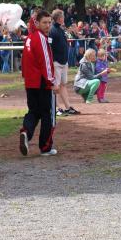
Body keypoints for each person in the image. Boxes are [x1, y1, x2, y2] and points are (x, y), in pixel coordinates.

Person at [19, 10, 59, 156]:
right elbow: (45, 63)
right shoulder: (40, 38)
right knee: (47, 114)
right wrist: (52, 82)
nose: (48, 25)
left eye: (49, 22)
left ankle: (26, 132)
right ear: (37, 23)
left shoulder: (30, 38)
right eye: (45, 22)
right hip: (42, 82)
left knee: (33, 112)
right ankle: (46, 147)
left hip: (30, 83)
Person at [49, 9, 80, 116]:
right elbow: (50, 47)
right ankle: (57, 108)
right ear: (59, 18)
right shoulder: (52, 30)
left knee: (63, 85)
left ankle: (67, 107)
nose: (64, 18)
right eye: (62, 16)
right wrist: (52, 61)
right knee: (56, 86)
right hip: (56, 62)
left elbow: (68, 40)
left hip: (63, 62)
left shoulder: (61, 29)